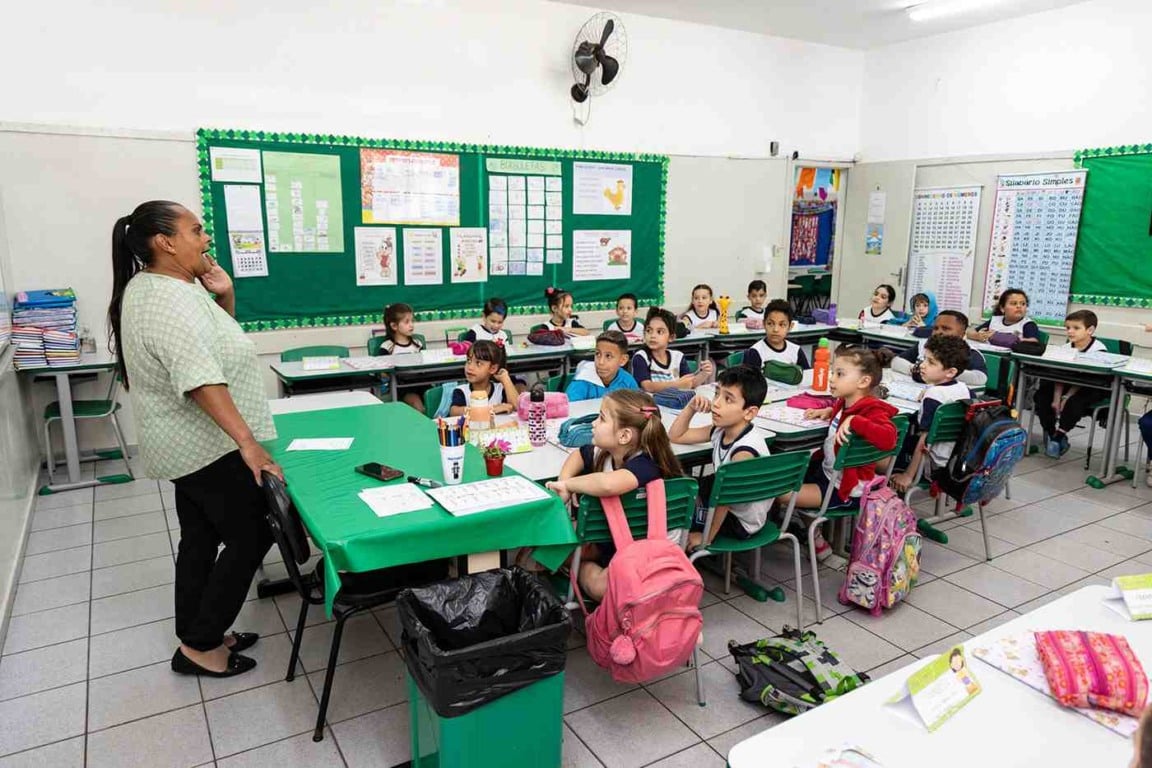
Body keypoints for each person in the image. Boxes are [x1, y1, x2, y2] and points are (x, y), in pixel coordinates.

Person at [109, 201, 280, 678]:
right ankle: (202, 646)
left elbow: (218, 344)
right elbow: (201, 377)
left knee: (200, 540)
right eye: (196, 230)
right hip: (205, 445)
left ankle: (197, 631)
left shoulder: (171, 287)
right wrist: (248, 443)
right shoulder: (164, 297)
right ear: (165, 242)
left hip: (193, 443)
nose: (206, 239)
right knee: (252, 534)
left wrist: (225, 296)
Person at [545, 390, 682, 600]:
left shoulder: (646, 463)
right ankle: (571, 565)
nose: (593, 424)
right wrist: (564, 480)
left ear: (624, 436)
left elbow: (608, 484)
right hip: (617, 542)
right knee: (541, 551)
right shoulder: (608, 452)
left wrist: (570, 485)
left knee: (605, 589)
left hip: (653, 554)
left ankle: (574, 568)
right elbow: (579, 454)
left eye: (601, 418)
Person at [778, 346, 898, 560]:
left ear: (863, 382)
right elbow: (842, 412)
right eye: (833, 372)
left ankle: (815, 538)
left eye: (839, 374)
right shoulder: (845, 402)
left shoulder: (872, 409)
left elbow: (889, 438)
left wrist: (856, 421)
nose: (832, 379)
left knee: (778, 491)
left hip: (844, 489)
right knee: (784, 475)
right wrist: (826, 412)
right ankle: (807, 528)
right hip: (828, 474)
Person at [669, 366, 771, 549]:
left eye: (728, 399)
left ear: (749, 412)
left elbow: (725, 500)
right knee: (675, 489)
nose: (716, 403)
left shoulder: (744, 451)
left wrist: (706, 537)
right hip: (722, 496)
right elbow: (676, 436)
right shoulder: (722, 430)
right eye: (717, 394)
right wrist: (691, 407)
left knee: (674, 510)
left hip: (739, 520)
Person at [890, 335, 972, 493]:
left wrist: (908, 475)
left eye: (931, 362)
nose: (922, 365)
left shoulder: (933, 395)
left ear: (950, 372)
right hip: (953, 458)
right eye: (924, 359)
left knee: (895, 435)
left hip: (932, 464)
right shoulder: (964, 388)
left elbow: (924, 440)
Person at [1033, 309, 1107, 458]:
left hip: (1090, 386)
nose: (1070, 332)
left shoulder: (1099, 350)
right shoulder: (1065, 349)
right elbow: (1059, 375)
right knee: (1042, 396)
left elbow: (1084, 379)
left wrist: (1066, 398)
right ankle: (1052, 431)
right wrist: (1056, 398)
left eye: (1076, 328)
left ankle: (1058, 437)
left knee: (1075, 402)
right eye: (1068, 328)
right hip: (1066, 383)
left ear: (1090, 330)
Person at [891, 310, 988, 388]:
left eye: (946, 329)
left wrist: (941, 374)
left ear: (962, 334)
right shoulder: (924, 345)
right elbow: (896, 361)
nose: (939, 332)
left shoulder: (970, 352)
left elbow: (980, 377)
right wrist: (916, 369)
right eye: (936, 328)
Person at [633, 307, 713, 393]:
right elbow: (648, 387)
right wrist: (677, 384)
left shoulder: (677, 356)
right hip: (652, 404)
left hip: (677, 402)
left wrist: (704, 374)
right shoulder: (641, 357)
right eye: (649, 330)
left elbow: (690, 384)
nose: (652, 335)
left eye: (659, 332)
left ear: (671, 337)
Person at [376, 302, 427, 412]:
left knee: (439, 398)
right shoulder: (387, 347)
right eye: (406, 322)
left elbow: (425, 364)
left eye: (412, 321)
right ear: (394, 326)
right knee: (418, 407)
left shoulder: (417, 344)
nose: (411, 325)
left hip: (421, 384)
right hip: (402, 388)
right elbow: (382, 372)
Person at [448, 340, 518, 416]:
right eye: (469, 360)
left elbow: (517, 407)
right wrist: (490, 409)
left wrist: (505, 379)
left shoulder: (500, 389)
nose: (470, 367)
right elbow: (454, 412)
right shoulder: (461, 391)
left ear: (493, 369)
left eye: (478, 363)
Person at [565, 330, 639, 401]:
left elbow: (637, 407)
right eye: (598, 354)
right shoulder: (584, 379)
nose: (601, 362)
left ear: (623, 360)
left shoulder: (628, 381)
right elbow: (570, 408)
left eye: (608, 356)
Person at [741, 299, 810, 371]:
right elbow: (749, 381)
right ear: (764, 324)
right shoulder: (755, 352)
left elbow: (807, 376)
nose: (775, 329)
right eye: (770, 323)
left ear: (790, 326)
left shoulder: (796, 350)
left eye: (782, 325)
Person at [968, 288, 1040, 346]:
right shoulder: (995, 320)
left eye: (1023, 304)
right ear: (1002, 308)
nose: (1019, 306)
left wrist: (1000, 337)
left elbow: (1033, 342)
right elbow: (969, 332)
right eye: (1014, 303)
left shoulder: (1028, 324)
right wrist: (978, 336)